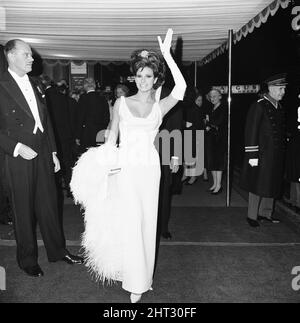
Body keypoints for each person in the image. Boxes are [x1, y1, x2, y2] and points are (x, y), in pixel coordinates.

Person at [70, 29, 186, 303]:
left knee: (147, 223)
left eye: (149, 76)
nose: (143, 81)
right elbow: (112, 134)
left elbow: (181, 88)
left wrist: (168, 56)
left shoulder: (161, 106)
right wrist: (106, 161)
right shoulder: (121, 102)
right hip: (126, 169)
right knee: (129, 221)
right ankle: (132, 275)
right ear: (133, 77)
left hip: (149, 169)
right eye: (139, 76)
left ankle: (143, 277)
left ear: (156, 79)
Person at [0, 39, 83, 277]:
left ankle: (58, 251)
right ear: (11, 56)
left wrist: (54, 152)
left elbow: (46, 123)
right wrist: (15, 147)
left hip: (43, 152)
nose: (32, 58)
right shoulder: (1, 84)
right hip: (17, 156)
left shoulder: (36, 84)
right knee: (23, 210)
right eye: (26, 54)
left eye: (31, 55)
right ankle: (27, 260)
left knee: (49, 205)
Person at [240, 73, 287, 227]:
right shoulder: (259, 105)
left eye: (283, 89)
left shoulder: (278, 107)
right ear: (271, 89)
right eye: (280, 89)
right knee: (258, 184)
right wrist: (252, 154)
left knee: (271, 183)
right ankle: (252, 216)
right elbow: (251, 131)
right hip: (262, 154)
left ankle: (265, 213)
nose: (283, 92)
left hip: (275, 154)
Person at [76, 78, 110, 151]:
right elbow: (107, 117)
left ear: (85, 86)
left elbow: (80, 118)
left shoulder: (83, 98)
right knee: (99, 153)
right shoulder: (102, 98)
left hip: (87, 132)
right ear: (94, 86)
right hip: (101, 131)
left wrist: (78, 135)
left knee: (87, 155)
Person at [205, 89, 228, 194]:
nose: (212, 98)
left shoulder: (224, 108)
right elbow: (207, 121)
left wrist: (209, 124)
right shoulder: (211, 108)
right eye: (211, 96)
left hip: (220, 139)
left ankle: (219, 185)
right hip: (211, 138)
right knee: (212, 161)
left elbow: (219, 122)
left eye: (215, 96)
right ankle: (214, 183)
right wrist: (208, 124)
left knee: (218, 162)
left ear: (220, 96)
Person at [182, 91, 207, 185]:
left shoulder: (195, 109)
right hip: (193, 135)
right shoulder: (194, 109)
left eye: (201, 100)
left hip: (193, 135)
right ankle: (190, 175)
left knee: (190, 157)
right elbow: (197, 124)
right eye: (198, 100)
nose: (200, 102)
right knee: (190, 157)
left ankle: (191, 176)